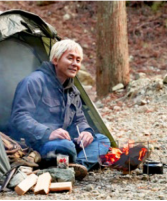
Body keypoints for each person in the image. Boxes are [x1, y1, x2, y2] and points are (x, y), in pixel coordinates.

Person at [8, 39, 110, 180]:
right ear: (55, 60)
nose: (75, 64)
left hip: (66, 142)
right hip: (39, 144)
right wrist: (48, 133)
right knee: (66, 147)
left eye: (78, 60)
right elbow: (19, 117)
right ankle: (70, 163)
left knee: (102, 140)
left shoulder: (73, 91)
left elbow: (79, 119)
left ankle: (77, 167)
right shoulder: (34, 81)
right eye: (70, 58)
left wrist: (86, 132)